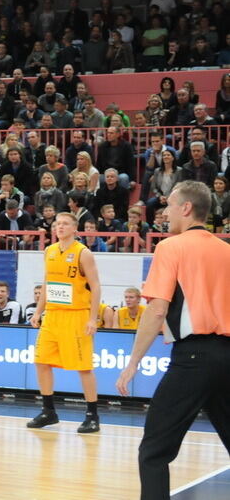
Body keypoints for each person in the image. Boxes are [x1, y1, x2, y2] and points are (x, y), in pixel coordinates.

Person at [116, 181, 230, 500]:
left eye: (169, 205)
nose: (164, 212)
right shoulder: (227, 250)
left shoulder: (170, 247)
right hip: (227, 357)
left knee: (153, 451)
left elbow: (156, 310)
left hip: (193, 358)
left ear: (186, 208)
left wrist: (133, 363)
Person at [28, 212, 103, 434]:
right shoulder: (49, 251)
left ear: (74, 229)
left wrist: (92, 318)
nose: (60, 227)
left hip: (76, 315)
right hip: (52, 315)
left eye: (65, 224)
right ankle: (48, 411)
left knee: (83, 367)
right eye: (57, 224)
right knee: (41, 362)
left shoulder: (83, 253)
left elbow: (96, 286)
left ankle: (92, 415)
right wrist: (38, 311)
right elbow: (47, 283)